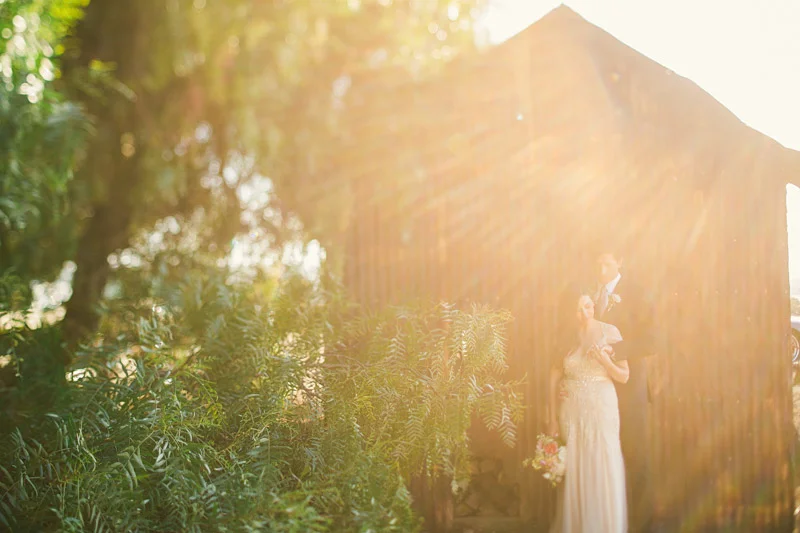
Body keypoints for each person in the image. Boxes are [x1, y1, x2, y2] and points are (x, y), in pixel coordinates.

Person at [547, 290, 630, 533]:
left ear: (593, 305)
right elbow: (553, 377)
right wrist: (551, 416)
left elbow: (624, 376)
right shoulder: (566, 338)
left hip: (601, 408)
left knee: (601, 460)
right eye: (578, 309)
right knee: (577, 465)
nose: (584, 314)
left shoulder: (611, 332)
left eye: (587, 306)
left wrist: (604, 361)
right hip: (571, 411)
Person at [593, 250, 656, 533]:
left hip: (629, 387)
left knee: (635, 454)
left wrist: (615, 350)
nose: (601, 267)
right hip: (598, 388)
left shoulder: (637, 293)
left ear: (620, 261)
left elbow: (652, 339)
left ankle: (641, 526)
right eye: (598, 261)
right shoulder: (592, 296)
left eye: (607, 261)